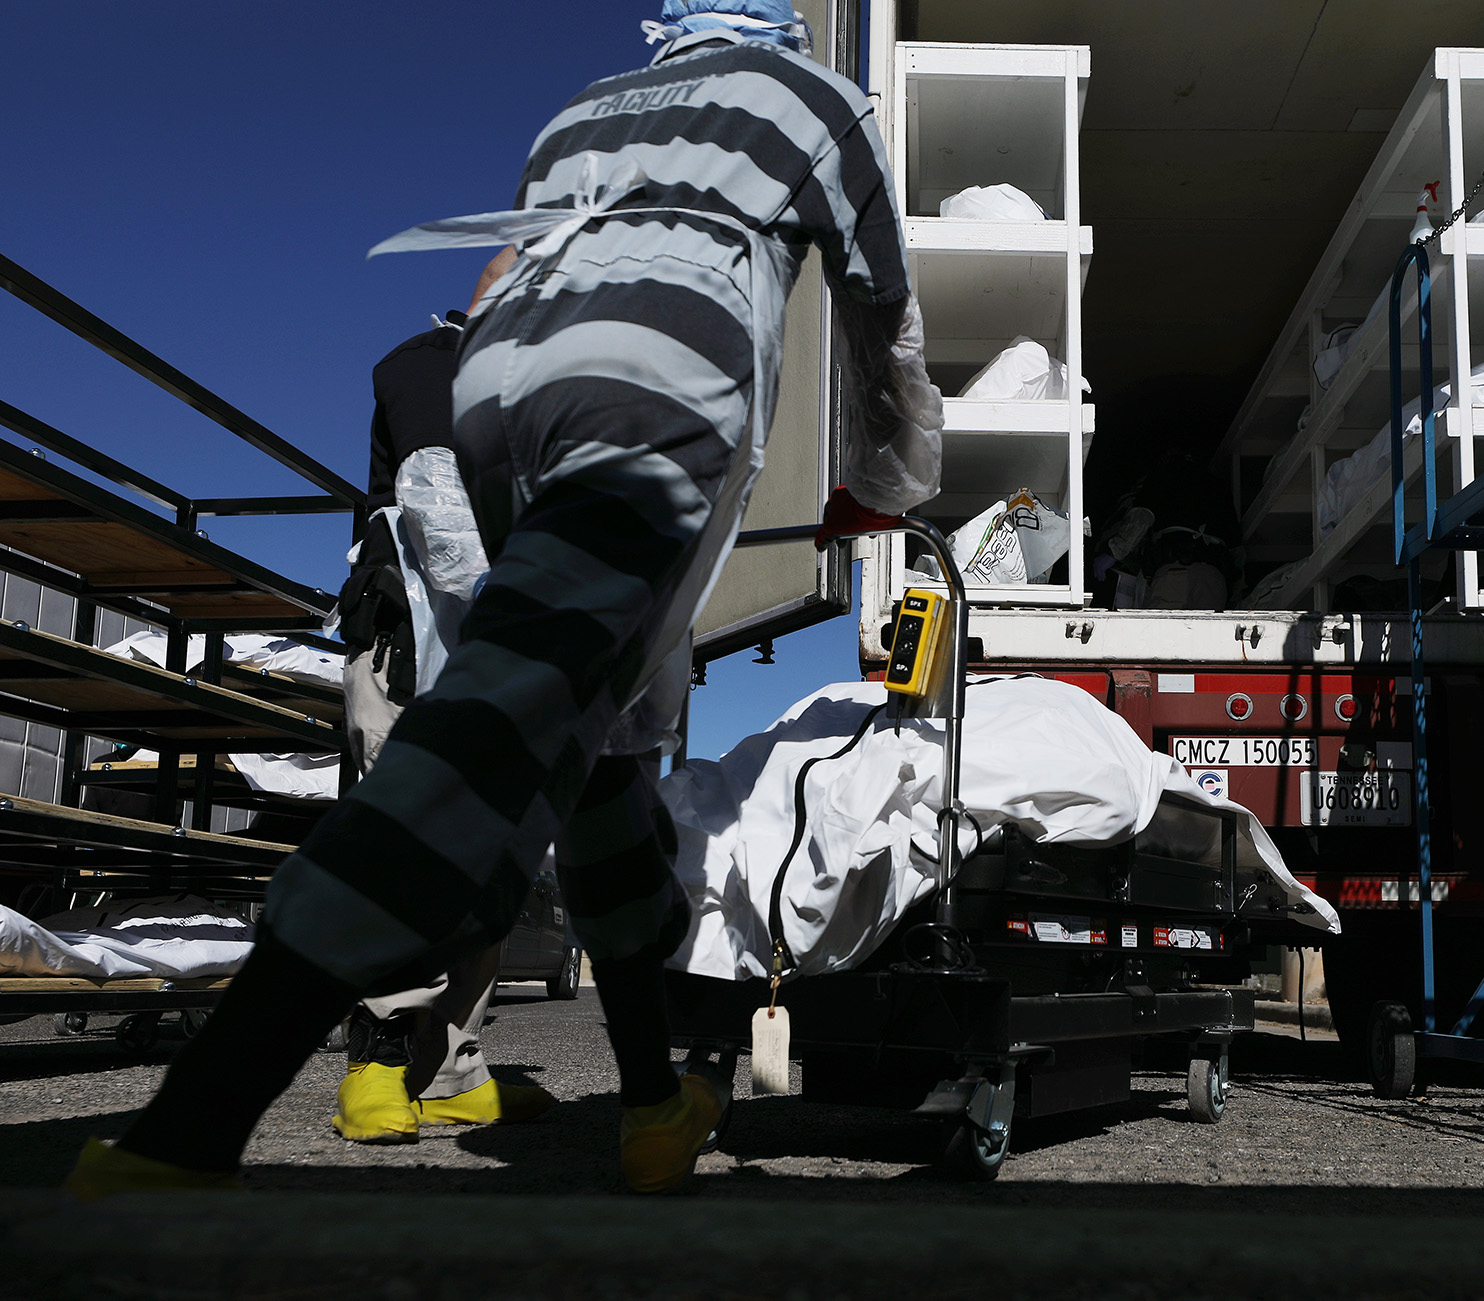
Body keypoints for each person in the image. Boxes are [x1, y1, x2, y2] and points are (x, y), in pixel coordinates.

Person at [63, 0, 941, 1198]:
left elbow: (502, 274)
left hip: (500, 385)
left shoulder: (579, 110)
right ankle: (193, 1122)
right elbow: (880, 310)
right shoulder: (819, 101)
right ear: (776, 29)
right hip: (654, 386)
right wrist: (885, 484)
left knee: (598, 755)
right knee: (501, 713)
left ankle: (649, 1104)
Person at [328, 250, 557, 1145]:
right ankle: (377, 1063)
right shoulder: (432, 368)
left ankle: (453, 1069)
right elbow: (442, 516)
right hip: (416, 657)